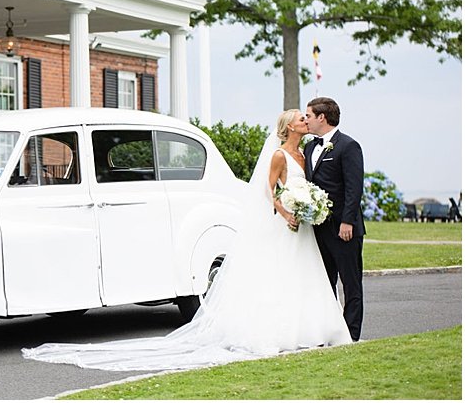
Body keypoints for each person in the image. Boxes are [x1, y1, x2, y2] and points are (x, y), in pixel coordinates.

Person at [21, 109, 351, 372]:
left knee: (301, 276)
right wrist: (286, 209)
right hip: (284, 224)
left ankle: (312, 330)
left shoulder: (305, 153)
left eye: (306, 118)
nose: (305, 121)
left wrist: (307, 205)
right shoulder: (279, 155)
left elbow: (298, 186)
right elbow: (269, 190)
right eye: (300, 118)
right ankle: (277, 331)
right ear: (289, 127)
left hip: (301, 228)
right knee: (277, 274)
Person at [304, 97, 365, 341]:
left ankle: (351, 335)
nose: (305, 119)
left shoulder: (348, 146)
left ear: (322, 117)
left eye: (308, 115)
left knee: (350, 283)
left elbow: (354, 187)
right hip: (318, 228)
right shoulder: (309, 147)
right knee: (324, 281)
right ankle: (330, 330)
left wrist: (347, 222)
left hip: (344, 228)